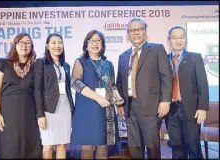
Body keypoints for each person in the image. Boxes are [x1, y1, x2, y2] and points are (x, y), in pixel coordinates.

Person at [116, 18, 173, 159]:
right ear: (128, 34)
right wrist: (120, 104)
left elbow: (166, 77)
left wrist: (165, 101)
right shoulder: (123, 56)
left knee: (152, 145)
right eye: (132, 30)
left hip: (151, 105)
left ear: (145, 31)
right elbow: (120, 83)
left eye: (139, 29)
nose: (136, 33)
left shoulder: (157, 49)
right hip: (129, 106)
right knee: (134, 146)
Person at [70, 30, 121, 159]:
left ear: (102, 45)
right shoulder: (81, 62)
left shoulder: (108, 64)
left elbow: (112, 85)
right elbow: (75, 83)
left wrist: (118, 98)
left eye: (98, 40)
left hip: (105, 109)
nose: (95, 43)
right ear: (86, 44)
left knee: (103, 145)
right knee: (88, 146)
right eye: (92, 41)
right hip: (87, 109)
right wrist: (98, 97)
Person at [0, 33, 42, 158]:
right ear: (15, 45)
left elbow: (39, 90)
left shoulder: (36, 66)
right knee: (9, 147)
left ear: (32, 46)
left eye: (27, 43)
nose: (24, 45)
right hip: (8, 111)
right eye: (20, 42)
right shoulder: (3, 63)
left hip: (29, 111)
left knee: (29, 146)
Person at [165, 26, 209, 159]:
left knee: (194, 148)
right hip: (171, 110)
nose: (179, 40)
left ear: (186, 39)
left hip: (191, 110)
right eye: (175, 37)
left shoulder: (195, 58)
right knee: (177, 148)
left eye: (182, 37)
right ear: (169, 40)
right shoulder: (164, 60)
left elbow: (203, 84)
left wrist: (202, 108)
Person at [34, 33, 74, 159]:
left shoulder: (66, 65)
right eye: (54, 42)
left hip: (65, 108)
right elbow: (37, 89)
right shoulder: (41, 63)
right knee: (48, 145)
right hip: (48, 110)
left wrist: (73, 110)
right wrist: (40, 114)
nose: (57, 45)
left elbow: (67, 89)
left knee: (62, 145)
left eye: (60, 42)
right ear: (47, 45)